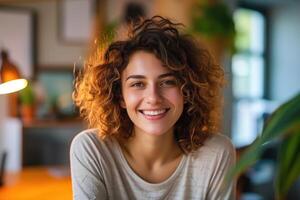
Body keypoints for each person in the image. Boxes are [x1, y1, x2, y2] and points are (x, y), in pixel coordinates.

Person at [70, 16, 236, 200]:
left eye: (167, 82)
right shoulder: (92, 149)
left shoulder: (216, 153)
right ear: (120, 96)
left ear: (187, 90)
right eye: (138, 84)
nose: (153, 98)